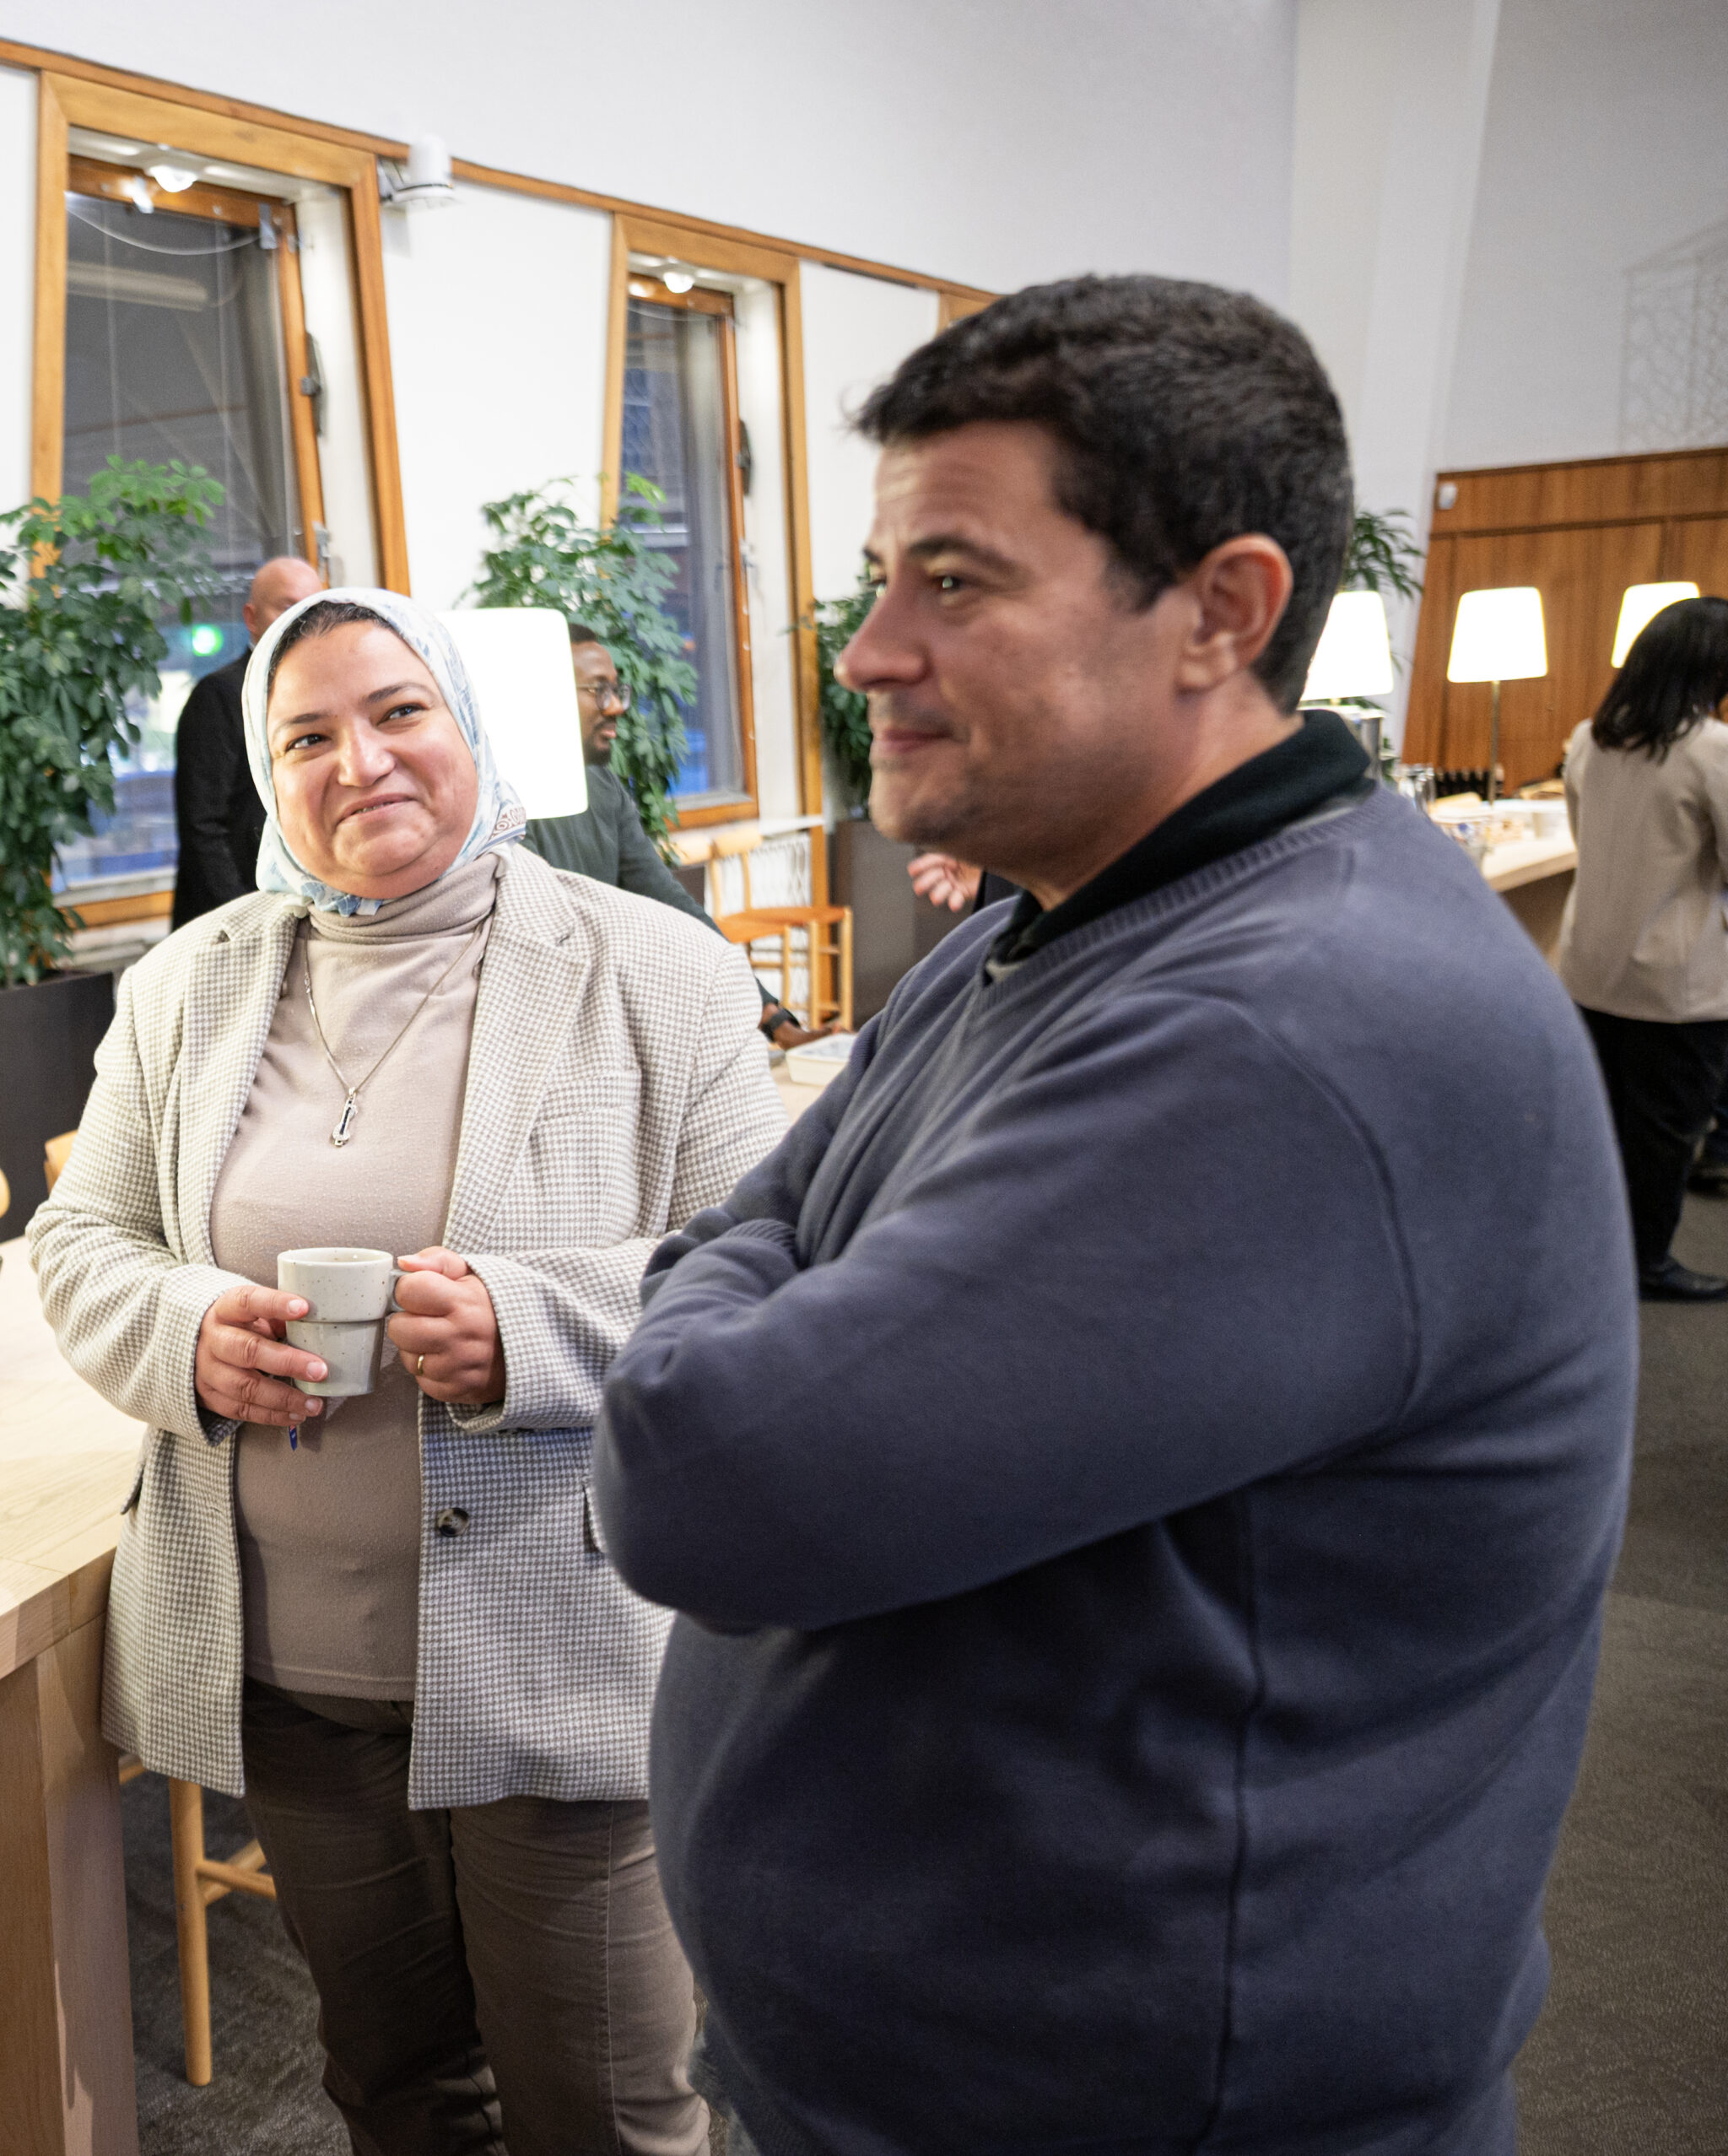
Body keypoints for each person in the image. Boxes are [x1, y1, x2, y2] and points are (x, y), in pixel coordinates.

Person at [592, 278, 1632, 2155]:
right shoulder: (1035, 923)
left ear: (1220, 612)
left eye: (958, 582)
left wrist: (746, 1264)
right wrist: (765, 1243)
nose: (869, 652)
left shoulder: (1291, 1025)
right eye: (883, 576)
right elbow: (768, 1205)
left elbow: (697, 1467)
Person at [32, 587, 783, 2156]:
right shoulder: (187, 989)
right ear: (266, 769)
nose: (357, 761)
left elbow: (774, 1278)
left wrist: (532, 1324)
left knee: (610, 2115)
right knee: (396, 2094)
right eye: (306, 734)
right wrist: (186, 1331)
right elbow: (82, 1238)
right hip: (296, 1680)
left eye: (398, 712)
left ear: (468, 729)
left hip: (568, 1651)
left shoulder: (659, 974)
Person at [521, 625, 821, 1046]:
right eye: (598, 690)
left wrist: (771, 1016)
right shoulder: (501, 804)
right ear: (544, 691)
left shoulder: (602, 786)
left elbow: (670, 904)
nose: (617, 708)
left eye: (617, 690)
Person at [1554, 593, 1728, 1299]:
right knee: (1662, 1135)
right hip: (1675, 984)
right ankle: (1647, 1263)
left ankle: (1599, 1253)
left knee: (1607, 1126)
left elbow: (1580, 834)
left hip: (1591, 968)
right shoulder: (1711, 749)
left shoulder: (1588, 738)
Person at [172, 554, 327, 926]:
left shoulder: (324, 694)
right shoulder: (220, 695)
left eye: (313, 607)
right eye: (289, 607)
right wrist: (245, 919)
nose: (301, 621)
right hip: (232, 919)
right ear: (250, 618)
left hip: (308, 911)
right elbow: (203, 828)